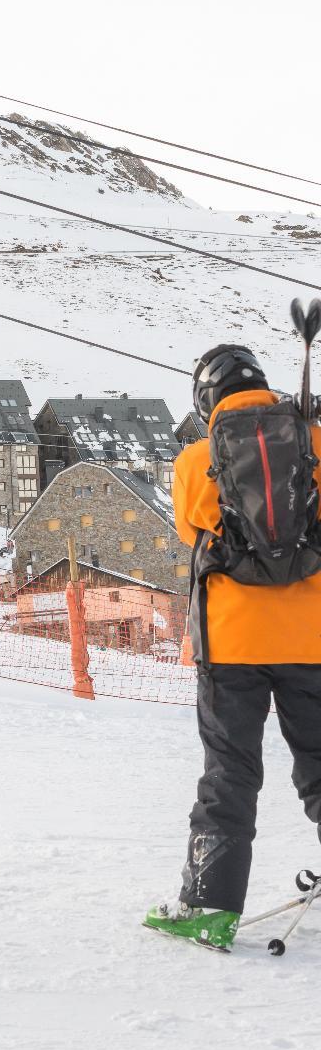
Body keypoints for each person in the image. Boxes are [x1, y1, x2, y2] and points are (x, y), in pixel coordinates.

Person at [144, 344, 321, 952]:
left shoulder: (197, 460)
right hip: (313, 639)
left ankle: (209, 908)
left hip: (232, 642)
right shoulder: (314, 442)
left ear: (206, 400)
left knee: (230, 772)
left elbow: (193, 534)